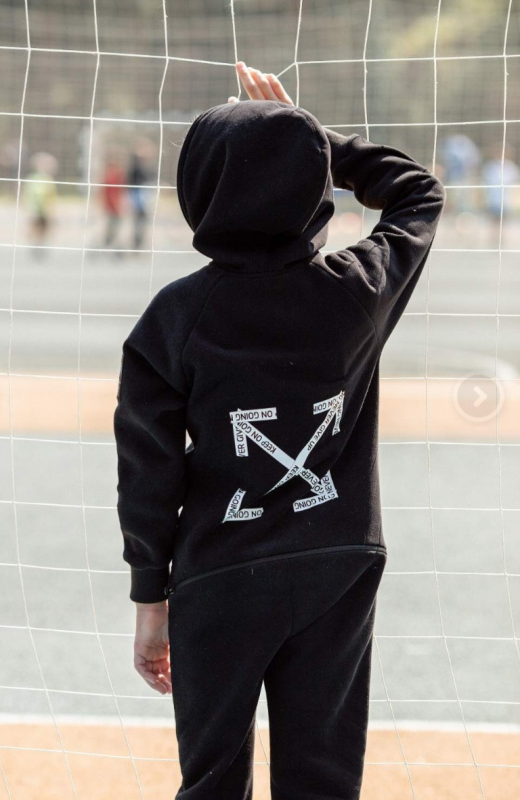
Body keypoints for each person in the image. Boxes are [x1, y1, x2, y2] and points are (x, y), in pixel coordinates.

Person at [113, 61, 446, 799]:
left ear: (197, 191)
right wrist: (315, 140)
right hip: (337, 562)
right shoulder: (357, 290)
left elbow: (148, 474)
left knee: (213, 779)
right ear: (311, 187)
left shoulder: (173, 319)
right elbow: (418, 192)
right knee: (321, 780)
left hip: (220, 576)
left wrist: (149, 598)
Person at [481, 141, 520, 248]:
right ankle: (493, 241)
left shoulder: (511, 167)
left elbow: (514, 185)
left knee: (503, 221)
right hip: (492, 199)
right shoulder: (490, 167)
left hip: (505, 200)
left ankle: (501, 241)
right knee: (494, 221)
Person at [23, 152, 58, 259]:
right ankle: (36, 245)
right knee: (35, 228)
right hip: (36, 209)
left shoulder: (48, 179)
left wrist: (51, 208)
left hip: (44, 209)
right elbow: (28, 194)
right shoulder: (33, 179)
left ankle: (40, 245)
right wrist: (29, 207)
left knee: (44, 229)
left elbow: (51, 196)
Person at [126, 137, 155, 254]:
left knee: (142, 221)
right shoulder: (136, 164)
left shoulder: (146, 165)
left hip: (144, 195)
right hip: (138, 195)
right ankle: (136, 245)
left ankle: (138, 245)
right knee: (138, 221)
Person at [100, 156, 126, 255]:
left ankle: (111, 246)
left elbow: (121, 192)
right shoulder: (110, 177)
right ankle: (110, 246)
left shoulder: (116, 175)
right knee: (112, 228)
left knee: (114, 227)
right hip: (113, 206)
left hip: (115, 205)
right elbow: (109, 193)